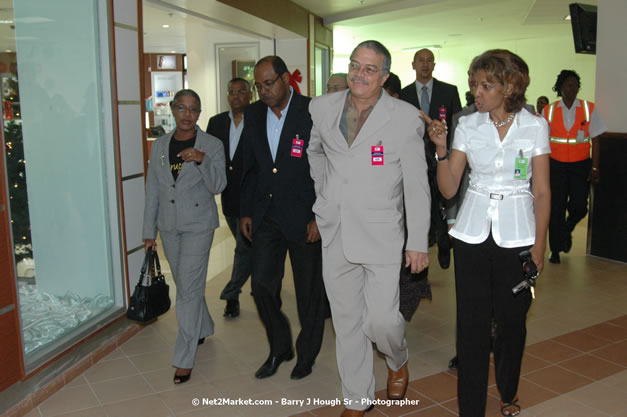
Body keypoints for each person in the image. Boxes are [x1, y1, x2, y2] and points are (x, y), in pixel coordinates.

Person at [424, 49, 550, 416]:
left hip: (518, 235)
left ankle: (508, 390)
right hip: (472, 234)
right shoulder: (468, 125)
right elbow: (449, 189)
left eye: (485, 85)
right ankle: (471, 408)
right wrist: (441, 150)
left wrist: (540, 244)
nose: (475, 92)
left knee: (512, 323)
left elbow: (541, 191)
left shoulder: (535, 125)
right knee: (472, 326)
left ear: (509, 87)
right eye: (473, 84)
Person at [308, 40, 430, 417]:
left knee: (382, 320)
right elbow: (314, 151)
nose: (360, 74)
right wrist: (325, 192)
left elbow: (416, 184)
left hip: (381, 233)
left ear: (385, 76)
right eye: (355, 66)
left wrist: (419, 242)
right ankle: (357, 399)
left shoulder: (404, 117)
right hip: (336, 230)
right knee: (346, 323)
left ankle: (398, 358)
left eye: (370, 69)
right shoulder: (322, 106)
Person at [239, 56, 326, 380]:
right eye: (258, 85)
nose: (263, 91)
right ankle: (280, 346)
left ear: (286, 78)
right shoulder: (253, 114)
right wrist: (246, 210)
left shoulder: (312, 111)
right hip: (265, 216)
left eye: (269, 83)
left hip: (304, 217)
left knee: (308, 293)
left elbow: (327, 168)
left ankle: (306, 354)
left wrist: (320, 214)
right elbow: (249, 166)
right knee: (261, 285)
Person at [142, 89, 226, 384]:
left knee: (187, 291)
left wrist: (202, 160)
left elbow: (219, 185)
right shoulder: (160, 146)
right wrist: (148, 231)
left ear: (199, 114)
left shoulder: (212, 144)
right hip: (169, 226)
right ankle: (203, 326)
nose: (187, 114)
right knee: (186, 283)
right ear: (173, 110)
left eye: (193, 109)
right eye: (182, 108)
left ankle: (184, 357)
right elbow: (153, 189)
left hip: (198, 225)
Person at [400, 48, 462, 270]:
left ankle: (443, 243)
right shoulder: (404, 94)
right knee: (422, 203)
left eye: (429, 61)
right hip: (414, 160)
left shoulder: (449, 91)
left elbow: (457, 127)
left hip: (442, 158)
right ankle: (429, 241)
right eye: (420, 61)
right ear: (413, 65)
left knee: (442, 201)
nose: (425, 65)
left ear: (434, 65)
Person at [542, 70, 607, 264]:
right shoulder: (549, 111)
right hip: (556, 166)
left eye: (575, 84)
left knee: (580, 206)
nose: (573, 88)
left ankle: (566, 229)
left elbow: (595, 140)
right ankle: (555, 250)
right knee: (556, 209)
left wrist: (595, 168)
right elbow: (542, 143)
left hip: (580, 166)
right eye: (569, 84)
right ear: (561, 87)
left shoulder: (589, 109)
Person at [206, 77, 253, 318]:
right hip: (229, 195)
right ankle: (259, 283)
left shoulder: (259, 119)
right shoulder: (216, 123)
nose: (235, 96)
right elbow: (208, 156)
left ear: (250, 95)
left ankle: (231, 294)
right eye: (231, 92)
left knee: (245, 247)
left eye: (241, 92)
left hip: (254, 196)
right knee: (245, 245)